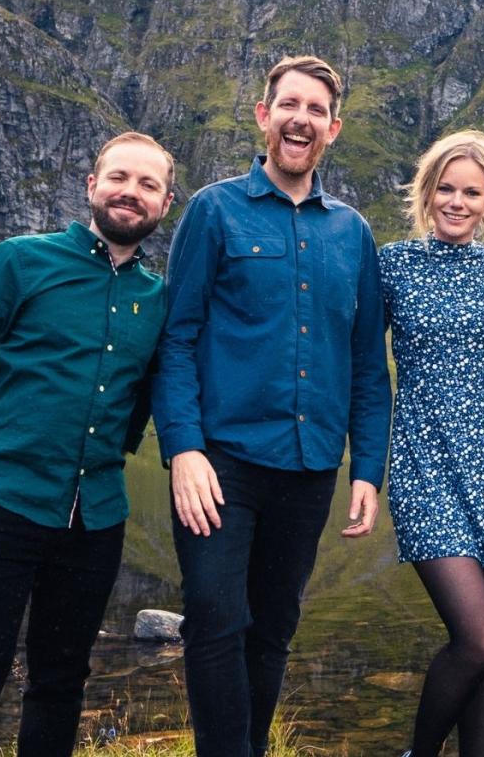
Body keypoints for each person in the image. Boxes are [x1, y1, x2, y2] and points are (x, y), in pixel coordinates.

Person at [152, 54, 392, 757]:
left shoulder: (352, 232)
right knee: (213, 619)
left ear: (333, 129)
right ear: (264, 115)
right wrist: (183, 448)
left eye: (317, 111)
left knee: (274, 628)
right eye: (290, 105)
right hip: (220, 464)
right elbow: (176, 339)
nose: (301, 120)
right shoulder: (214, 210)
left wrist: (367, 470)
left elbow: (367, 365)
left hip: (310, 467)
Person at [0, 132, 176, 756]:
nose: (130, 192)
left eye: (148, 185)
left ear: (165, 204)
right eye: (119, 177)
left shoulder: (158, 299)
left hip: (96, 518)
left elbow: (144, 399)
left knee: (61, 679)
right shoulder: (18, 261)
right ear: (92, 186)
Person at [379, 130, 484, 757]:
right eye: (445, 188)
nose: (456, 201)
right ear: (426, 193)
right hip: (424, 462)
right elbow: (359, 361)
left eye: (471, 192)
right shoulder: (393, 264)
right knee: (476, 639)